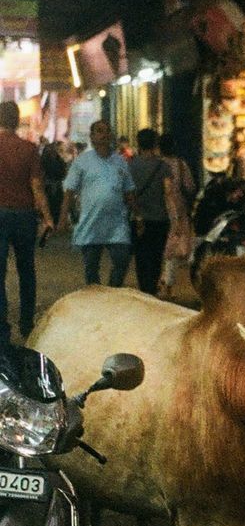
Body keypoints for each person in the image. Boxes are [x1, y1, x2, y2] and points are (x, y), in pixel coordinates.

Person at [0, 101, 54, 344]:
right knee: (26, 270)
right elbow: (37, 187)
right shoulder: (29, 149)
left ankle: (2, 328)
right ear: (16, 119)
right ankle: (26, 322)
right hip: (24, 215)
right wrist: (47, 216)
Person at [58, 119, 135, 287]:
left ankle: (112, 294)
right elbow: (69, 191)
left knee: (122, 261)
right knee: (91, 268)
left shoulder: (120, 161)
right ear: (92, 137)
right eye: (99, 131)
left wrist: (138, 215)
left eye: (107, 131)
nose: (104, 135)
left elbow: (129, 190)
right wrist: (63, 218)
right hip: (91, 223)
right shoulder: (81, 162)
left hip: (117, 224)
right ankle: (95, 300)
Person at [128, 128, 176, 296]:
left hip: (137, 218)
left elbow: (128, 193)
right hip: (159, 218)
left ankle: (144, 289)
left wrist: (136, 213)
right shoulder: (163, 167)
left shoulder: (131, 165)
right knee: (156, 256)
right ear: (156, 143)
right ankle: (152, 288)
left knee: (141, 255)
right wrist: (174, 217)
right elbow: (168, 193)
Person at [157, 131, 196, 298]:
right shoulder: (181, 165)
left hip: (156, 209)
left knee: (157, 248)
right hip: (177, 210)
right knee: (172, 250)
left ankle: (156, 283)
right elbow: (190, 187)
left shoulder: (155, 164)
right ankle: (167, 286)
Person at [40, 139, 67, 225]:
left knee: (54, 205)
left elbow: (63, 173)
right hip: (51, 187)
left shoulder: (45, 160)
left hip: (52, 186)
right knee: (53, 205)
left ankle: (52, 224)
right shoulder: (46, 160)